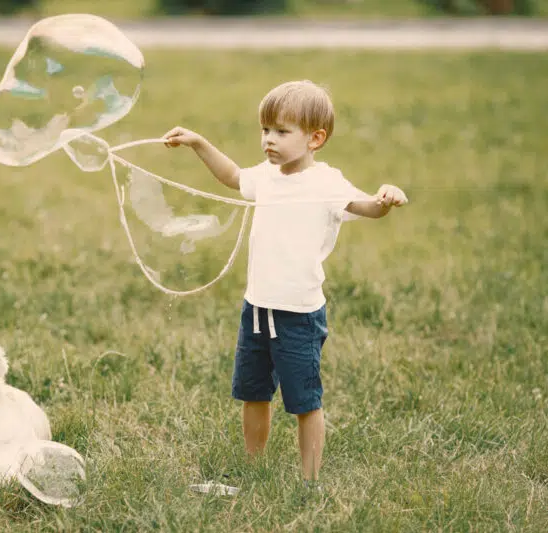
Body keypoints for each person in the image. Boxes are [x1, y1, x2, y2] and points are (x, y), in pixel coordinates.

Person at [162, 80, 408, 488]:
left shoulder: (326, 184)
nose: (268, 141)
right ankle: (253, 466)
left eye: (281, 131)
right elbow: (233, 176)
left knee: (304, 402)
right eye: (265, 130)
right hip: (256, 308)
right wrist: (199, 143)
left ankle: (309, 481)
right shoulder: (267, 177)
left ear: (315, 138)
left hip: (299, 316)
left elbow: (366, 207)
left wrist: (385, 199)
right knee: (253, 392)